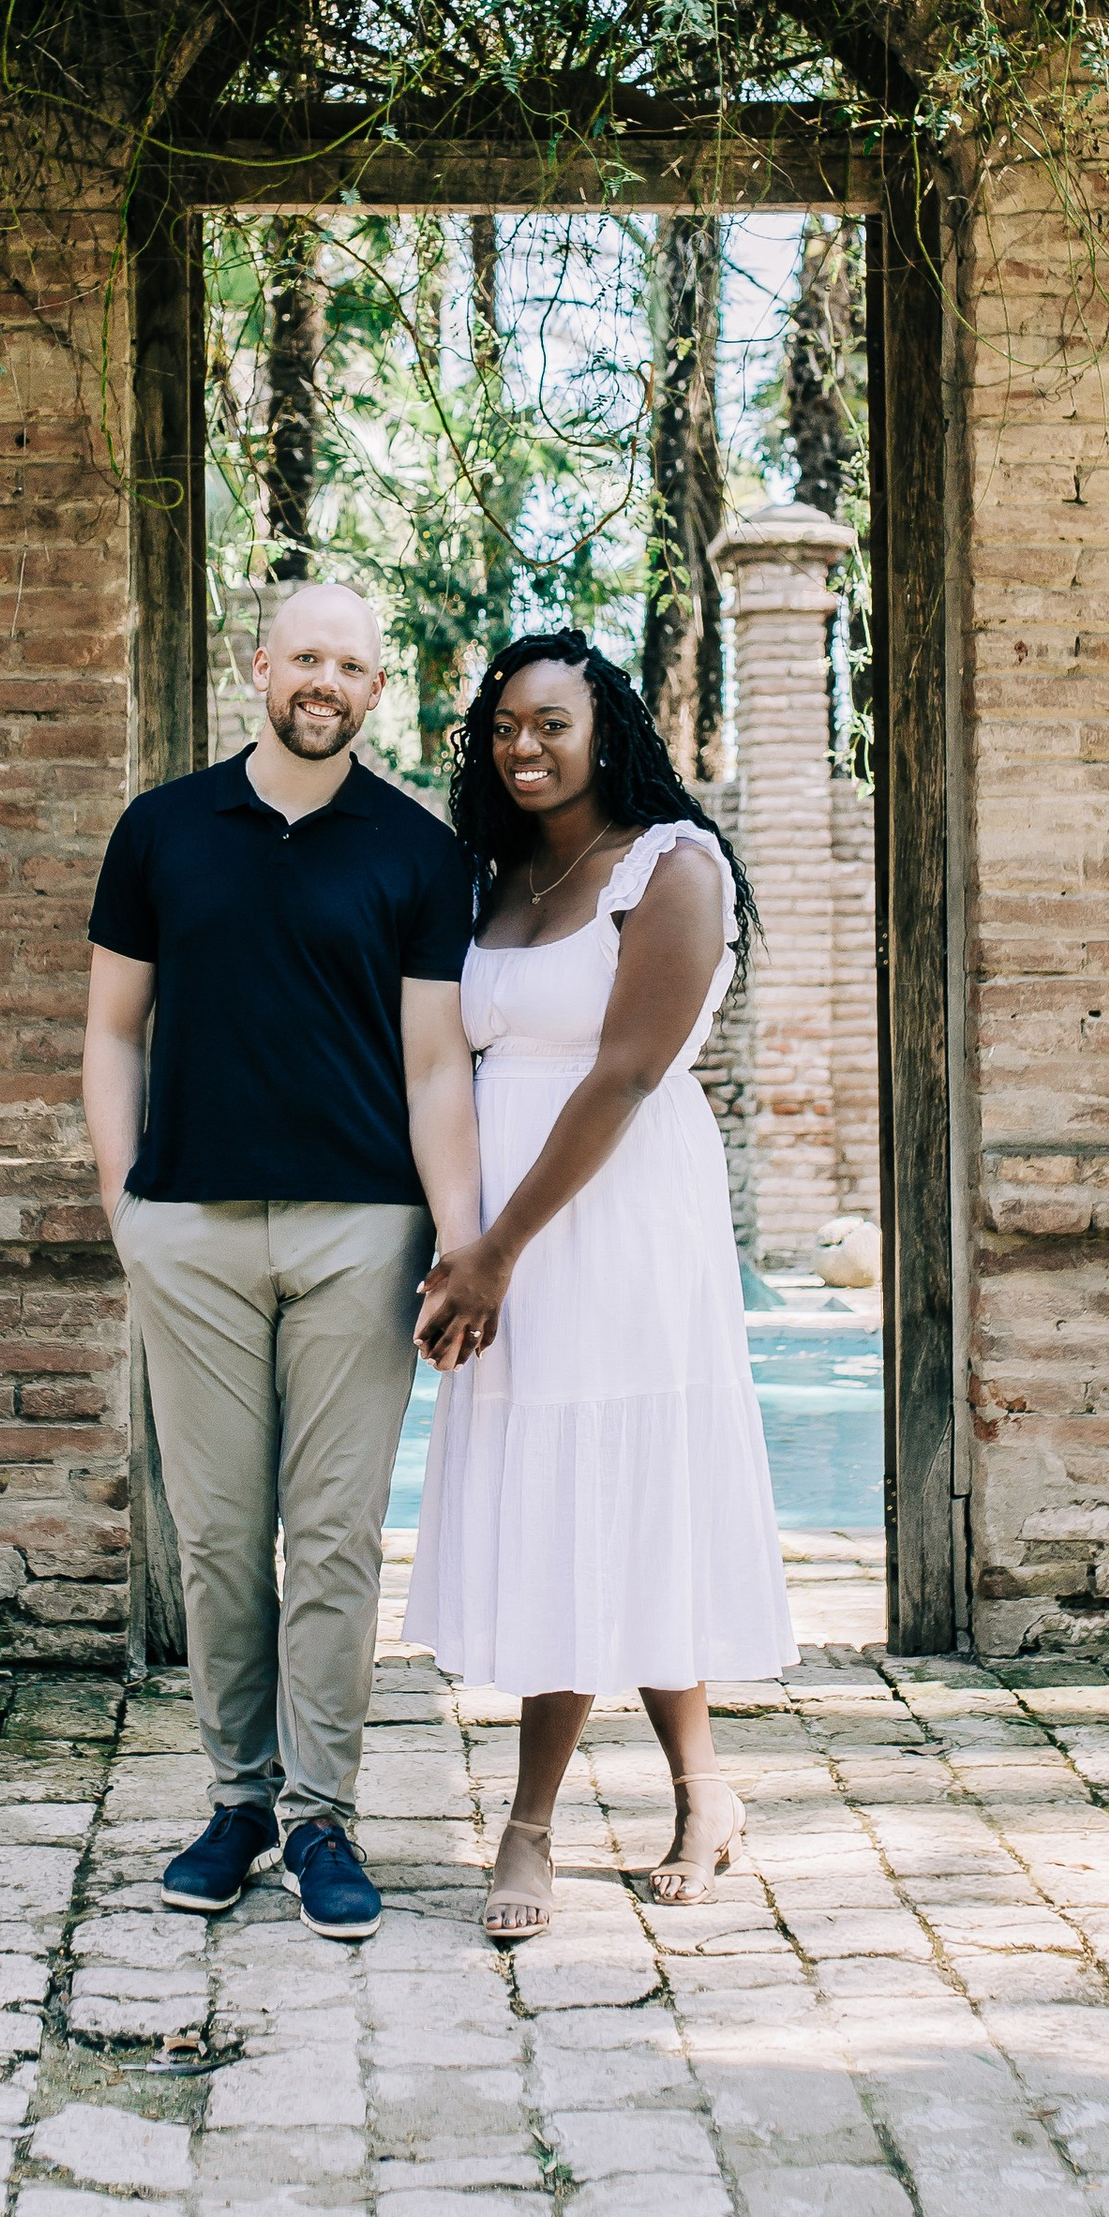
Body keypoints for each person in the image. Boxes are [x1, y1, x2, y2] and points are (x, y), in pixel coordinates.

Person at [84, 579, 481, 1943]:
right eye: (306, 656)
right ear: (261, 668)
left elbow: (436, 1067)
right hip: (187, 1226)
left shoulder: (419, 855)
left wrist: (456, 1235)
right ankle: (237, 1800)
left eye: (353, 665)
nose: (327, 681)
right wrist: (124, 1201)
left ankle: (321, 1817)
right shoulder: (160, 831)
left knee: (331, 1537)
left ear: (378, 692)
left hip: (360, 1230)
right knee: (214, 1531)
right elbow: (111, 1032)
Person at [408, 630, 797, 1941]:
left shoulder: (672, 867)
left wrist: (495, 1253)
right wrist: (461, 1233)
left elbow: (625, 1074)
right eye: (504, 725)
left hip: (615, 1217)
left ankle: (528, 1831)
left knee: (610, 1483)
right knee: (585, 1493)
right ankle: (705, 1792)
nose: (524, 747)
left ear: (607, 729)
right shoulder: (492, 873)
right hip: (498, 1226)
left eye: (552, 724)